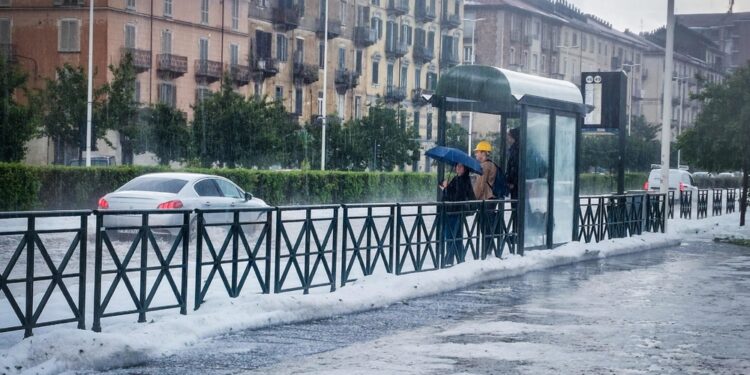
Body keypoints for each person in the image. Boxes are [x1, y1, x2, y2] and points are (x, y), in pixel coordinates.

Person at [440, 163, 476, 263]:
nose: (457, 168)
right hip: (455, 211)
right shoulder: (458, 179)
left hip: (454, 211)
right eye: (456, 166)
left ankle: (449, 260)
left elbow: (456, 197)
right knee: (457, 236)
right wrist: (445, 187)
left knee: (451, 237)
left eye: (460, 166)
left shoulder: (462, 180)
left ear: (465, 168)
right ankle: (459, 259)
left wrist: (446, 188)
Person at [506, 128, 520, 201]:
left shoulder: (515, 150)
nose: (508, 139)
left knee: (516, 203)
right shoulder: (516, 148)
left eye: (509, 136)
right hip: (518, 182)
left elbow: (514, 167)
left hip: (515, 184)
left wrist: (511, 182)